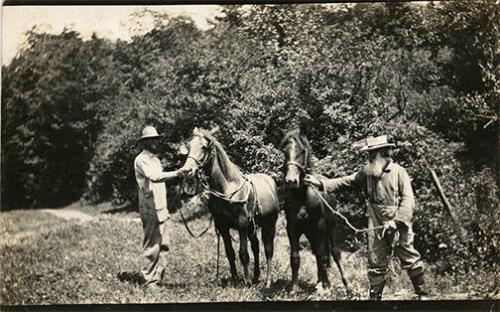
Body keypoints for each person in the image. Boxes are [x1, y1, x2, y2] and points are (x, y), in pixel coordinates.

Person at [304, 135, 428, 300]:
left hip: (398, 222)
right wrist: (320, 184)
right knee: (375, 259)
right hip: (375, 219)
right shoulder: (367, 173)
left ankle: (422, 293)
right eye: (368, 154)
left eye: (372, 154)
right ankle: (375, 298)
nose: (369, 157)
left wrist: (396, 221)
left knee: (408, 255)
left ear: (383, 153)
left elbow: (408, 201)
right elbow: (345, 181)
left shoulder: (399, 172)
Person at [134, 126, 189, 289]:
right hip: (150, 208)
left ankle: (158, 278)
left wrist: (181, 175)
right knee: (152, 245)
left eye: (156, 139)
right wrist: (178, 173)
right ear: (144, 142)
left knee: (164, 244)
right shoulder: (141, 159)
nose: (155, 143)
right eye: (151, 140)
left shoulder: (155, 160)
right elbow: (155, 177)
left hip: (162, 207)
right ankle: (150, 281)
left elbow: (162, 180)